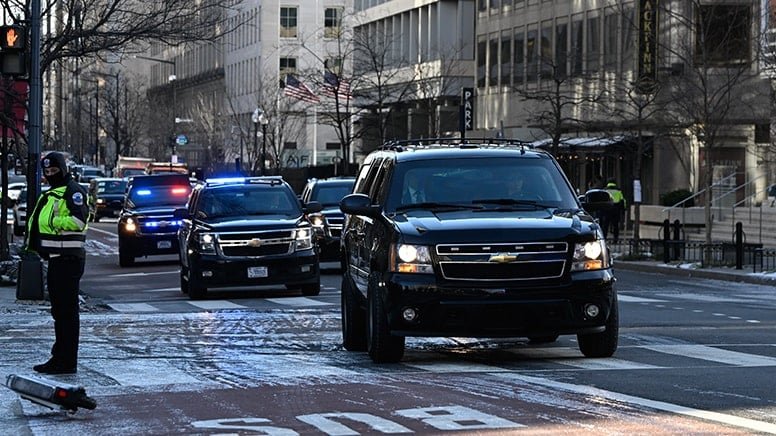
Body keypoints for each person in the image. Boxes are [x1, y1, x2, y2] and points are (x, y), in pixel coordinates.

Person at [24, 152, 89, 375]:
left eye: (54, 171)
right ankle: (60, 357)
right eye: (47, 172)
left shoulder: (72, 191)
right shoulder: (55, 192)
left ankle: (66, 360)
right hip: (56, 259)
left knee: (66, 313)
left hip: (68, 259)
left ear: (63, 169)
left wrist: (53, 221)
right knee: (60, 312)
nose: (51, 175)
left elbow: (79, 220)